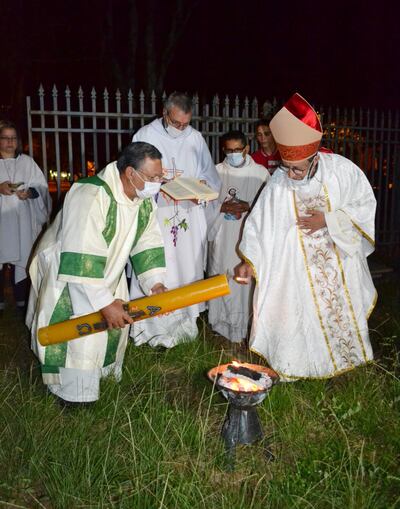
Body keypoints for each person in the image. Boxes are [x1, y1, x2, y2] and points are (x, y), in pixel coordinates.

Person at [235, 93, 377, 380]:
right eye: (288, 168)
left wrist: (328, 219)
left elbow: (365, 207)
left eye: (298, 169)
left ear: (314, 159)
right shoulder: (280, 181)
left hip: (337, 264)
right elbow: (260, 224)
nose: (292, 175)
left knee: (336, 319)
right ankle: (295, 368)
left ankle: (342, 369)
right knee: (297, 317)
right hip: (296, 270)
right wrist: (249, 261)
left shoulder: (342, 172)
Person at [26, 142, 167, 404]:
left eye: (160, 176)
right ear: (129, 174)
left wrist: (155, 283)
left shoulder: (143, 200)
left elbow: (147, 241)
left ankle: (101, 382)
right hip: (72, 276)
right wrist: (103, 302)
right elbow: (81, 256)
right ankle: (70, 395)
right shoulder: (89, 195)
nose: (157, 183)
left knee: (106, 336)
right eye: (152, 177)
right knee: (78, 339)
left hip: (109, 274)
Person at [129, 92, 221, 348]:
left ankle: (183, 328)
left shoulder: (196, 138)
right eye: (176, 123)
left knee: (185, 268)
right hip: (156, 214)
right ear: (165, 113)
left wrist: (199, 191)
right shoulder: (145, 135)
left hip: (188, 215)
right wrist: (160, 185)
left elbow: (210, 177)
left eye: (185, 124)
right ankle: (148, 330)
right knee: (158, 265)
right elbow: (132, 175)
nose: (181, 129)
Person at [207, 130, 269, 342]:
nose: (232, 154)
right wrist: (220, 206)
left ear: (246, 149)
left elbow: (269, 207)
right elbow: (204, 204)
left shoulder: (260, 174)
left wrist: (248, 206)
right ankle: (222, 325)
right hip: (223, 236)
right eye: (228, 150)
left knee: (244, 285)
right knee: (222, 275)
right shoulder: (215, 172)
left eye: (237, 150)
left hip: (248, 237)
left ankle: (244, 326)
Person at [0, 120, 51, 315]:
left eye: (13, 138)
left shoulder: (27, 162)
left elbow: (42, 188)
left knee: (22, 257)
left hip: (21, 222)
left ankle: (22, 301)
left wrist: (29, 193)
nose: (10, 142)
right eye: (5, 138)